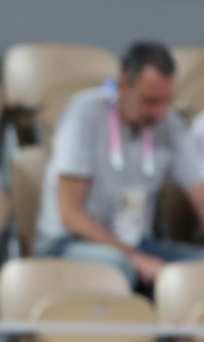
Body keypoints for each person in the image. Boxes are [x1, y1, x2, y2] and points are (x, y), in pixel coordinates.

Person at [35, 41, 204, 286]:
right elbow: (70, 213)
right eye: (150, 101)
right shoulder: (85, 116)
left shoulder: (170, 124)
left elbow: (199, 190)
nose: (159, 112)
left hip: (135, 241)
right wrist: (133, 257)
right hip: (68, 242)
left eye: (166, 101)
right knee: (119, 266)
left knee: (197, 267)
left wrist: (137, 254)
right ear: (124, 85)